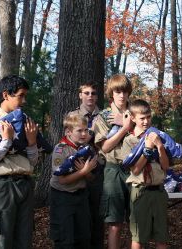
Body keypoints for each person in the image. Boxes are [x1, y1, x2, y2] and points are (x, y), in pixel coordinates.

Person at [0, 75, 39, 249]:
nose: (24, 100)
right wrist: (6, 142)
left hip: (25, 184)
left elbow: (32, 162)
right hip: (1, 186)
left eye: (25, 96)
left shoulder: (25, 122)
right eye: (20, 95)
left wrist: (32, 142)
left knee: (23, 240)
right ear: (6, 95)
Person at [93, 74, 134, 249]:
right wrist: (125, 128)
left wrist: (130, 123)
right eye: (118, 91)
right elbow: (106, 147)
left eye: (125, 91)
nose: (122, 95)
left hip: (136, 169)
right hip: (113, 171)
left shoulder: (136, 113)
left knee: (137, 221)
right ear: (111, 92)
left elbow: (148, 136)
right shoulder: (103, 116)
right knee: (115, 222)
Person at [122, 100, 169, 249]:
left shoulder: (158, 137)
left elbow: (165, 167)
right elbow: (135, 170)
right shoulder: (129, 141)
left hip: (159, 192)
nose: (146, 121)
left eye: (148, 117)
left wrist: (160, 146)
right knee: (139, 238)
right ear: (133, 118)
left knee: (162, 237)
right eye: (142, 118)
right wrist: (147, 149)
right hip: (140, 192)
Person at [49, 114, 98, 248]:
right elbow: (62, 180)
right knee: (65, 239)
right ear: (68, 132)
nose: (83, 134)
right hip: (63, 198)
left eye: (86, 130)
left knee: (83, 237)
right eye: (79, 131)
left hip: (81, 197)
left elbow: (92, 177)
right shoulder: (61, 149)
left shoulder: (86, 149)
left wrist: (87, 172)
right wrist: (83, 171)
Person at [67, 81, 104, 248]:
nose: (90, 96)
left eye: (93, 93)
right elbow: (68, 140)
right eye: (87, 93)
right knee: (79, 213)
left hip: (98, 169)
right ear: (80, 95)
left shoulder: (104, 116)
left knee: (97, 214)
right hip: (78, 167)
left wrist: (95, 142)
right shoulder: (72, 116)